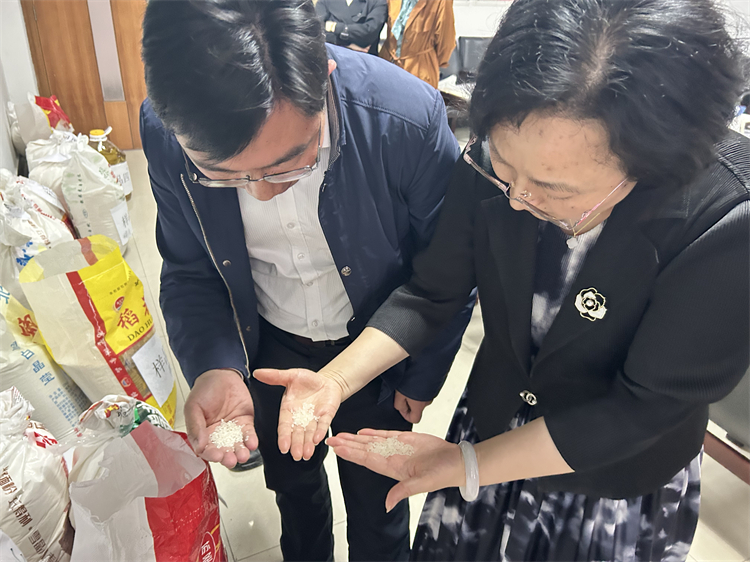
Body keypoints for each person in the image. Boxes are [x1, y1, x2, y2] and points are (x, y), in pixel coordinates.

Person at [254, 0, 750, 559]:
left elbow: (641, 408)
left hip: (609, 471)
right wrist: (335, 381)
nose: (516, 200)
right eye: (505, 170)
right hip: (494, 421)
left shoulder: (726, 220)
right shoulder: (500, 157)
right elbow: (433, 290)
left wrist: (471, 464)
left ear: (652, 163)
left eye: (554, 191)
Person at [138, 1, 473, 560]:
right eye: (224, 175)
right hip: (267, 347)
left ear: (324, 74)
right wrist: (216, 367)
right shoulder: (166, 131)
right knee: (293, 492)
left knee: (380, 503)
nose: (262, 192)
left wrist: (421, 378)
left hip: (379, 347)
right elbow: (191, 269)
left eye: (291, 162)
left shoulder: (404, 117)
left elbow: (446, 272)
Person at [379, 0, 455, 88]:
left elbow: (446, 42)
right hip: (388, 65)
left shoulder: (441, 2)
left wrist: (429, 60)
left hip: (420, 70)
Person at [316, 0, 388, 55]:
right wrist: (347, 45)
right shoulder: (325, 1)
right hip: (331, 58)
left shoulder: (378, 2)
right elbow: (316, 32)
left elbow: (368, 33)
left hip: (364, 61)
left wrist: (335, 27)